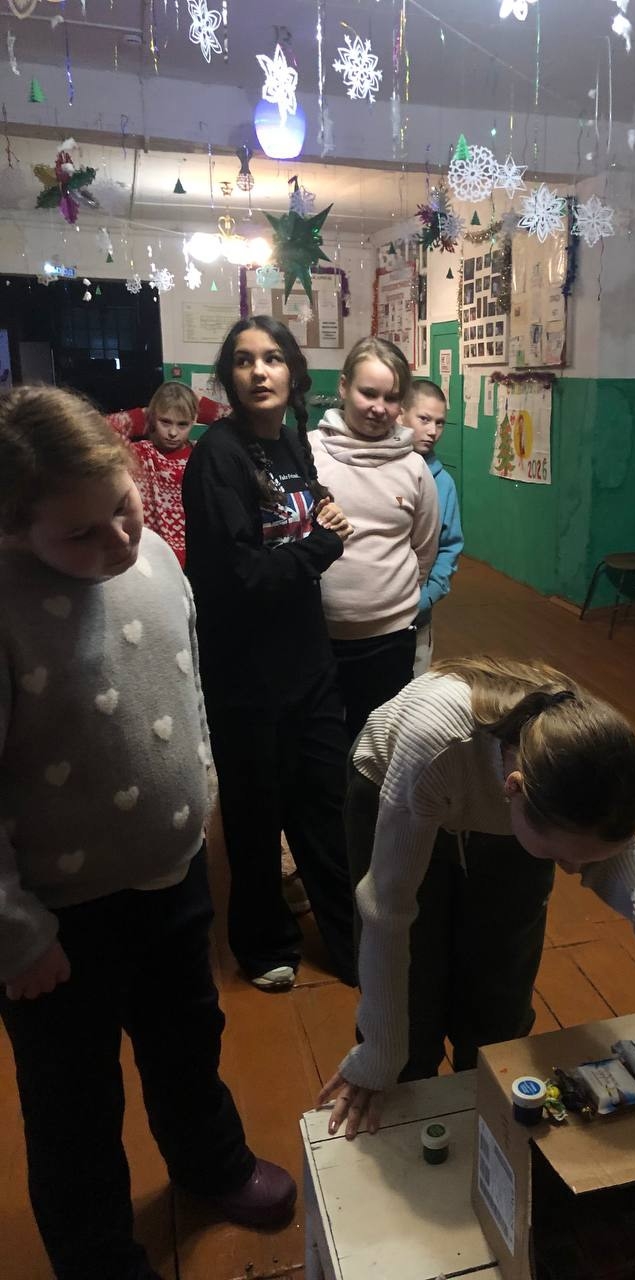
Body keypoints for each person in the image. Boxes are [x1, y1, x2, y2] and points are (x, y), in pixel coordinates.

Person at [0, 386, 297, 1280]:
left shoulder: (160, 557)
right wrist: (16, 933)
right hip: (57, 920)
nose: (119, 540)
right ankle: (97, 1256)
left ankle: (212, 1163)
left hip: (172, 876)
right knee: (74, 1103)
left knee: (187, 1041)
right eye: (79, 534)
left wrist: (201, 790)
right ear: (15, 528)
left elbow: (184, 685)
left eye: (123, 508)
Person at [316, 658, 635, 1138]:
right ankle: (406, 1104)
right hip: (395, 783)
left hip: (515, 817)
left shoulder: (573, 749)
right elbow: (387, 910)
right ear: (514, 789)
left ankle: (487, 1099)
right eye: (560, 857)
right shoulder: (434, 741)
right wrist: (379, 1053)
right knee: (413, 987)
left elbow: (601, 840)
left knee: (500, 992)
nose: (571, 871)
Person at [182, 316, 356, 992]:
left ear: (293, 374)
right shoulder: (216, 458)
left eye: (273, 358)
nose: (260, 371)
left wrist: (323, 511)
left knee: (325, 806)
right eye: (245, 360)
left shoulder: (290, 442)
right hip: (245, 676)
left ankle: (350, 939)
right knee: (256, 816)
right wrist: (323, 545)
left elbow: (299, 512)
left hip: (308, 665)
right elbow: (242, 576)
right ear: (229, 378)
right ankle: (262, 944)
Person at [311, 337, 440, 740]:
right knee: (321, 743)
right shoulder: (308, 452)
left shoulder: (414, 468)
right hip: (314, 635)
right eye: (368, 393)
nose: (379, 408)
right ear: (343, 386)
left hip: (390, 638)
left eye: (391, 398)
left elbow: (424, 547)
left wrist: (393, 601)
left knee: (379, 743)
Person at [107, 383, 229, 567]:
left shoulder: (201, 455)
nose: (173, 433)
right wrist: (148, 414)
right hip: (149, 558)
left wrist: (200, 404)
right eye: (165, 422)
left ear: (194, 420)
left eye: (182, 424)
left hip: (196, 558)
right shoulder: (139, 454)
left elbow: (241, 422)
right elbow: (100, 428)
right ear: (153, 419)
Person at [401, 378, 464, 677]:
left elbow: (450, 545)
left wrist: (427, 596)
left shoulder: (443, 483)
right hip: (371, 614)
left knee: (413, 689)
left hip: (418, 616)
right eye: (424, 419)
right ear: (401, 414)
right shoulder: (383, 470)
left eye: (440, 423)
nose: (432, 431)